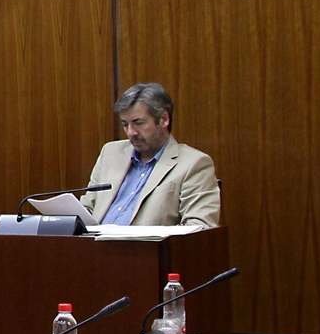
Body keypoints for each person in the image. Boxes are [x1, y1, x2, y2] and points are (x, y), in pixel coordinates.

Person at [79, 83, 220, 228]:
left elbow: (200, 227)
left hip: (146, 248)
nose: (131, 132)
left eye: (138, 123)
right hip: (94, 247)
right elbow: (87, 209)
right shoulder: (110, 153)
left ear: (164, 119)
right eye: (125, 124)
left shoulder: (193, 163)